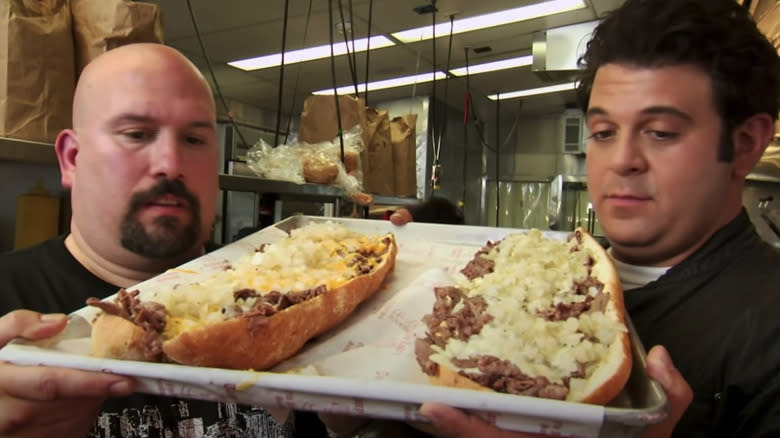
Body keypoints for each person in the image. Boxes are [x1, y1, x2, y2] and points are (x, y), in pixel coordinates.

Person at [362, 1, 780, 437]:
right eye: (602, 133)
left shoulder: (768, 330)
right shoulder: (562, 270)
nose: (621, 161)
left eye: (660, 132)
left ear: (746, 144)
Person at [0, 43, 305, 437]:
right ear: (72, 159)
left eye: (194, 140)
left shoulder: (278, 297)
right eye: (137, 134)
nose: (171, 165)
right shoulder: (10, 309)